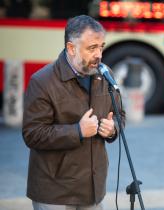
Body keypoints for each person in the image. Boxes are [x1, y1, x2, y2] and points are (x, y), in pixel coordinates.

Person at [22, 15, 125, 210]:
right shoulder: (42, 81)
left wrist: (112, 129)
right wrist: (77, 131)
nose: (99, 54)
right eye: (92, 48)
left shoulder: (105, 75)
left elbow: (120, 115)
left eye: (101, 46)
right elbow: (32, 134)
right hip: (54, 192)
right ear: (71, 48)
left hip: (92, 191)